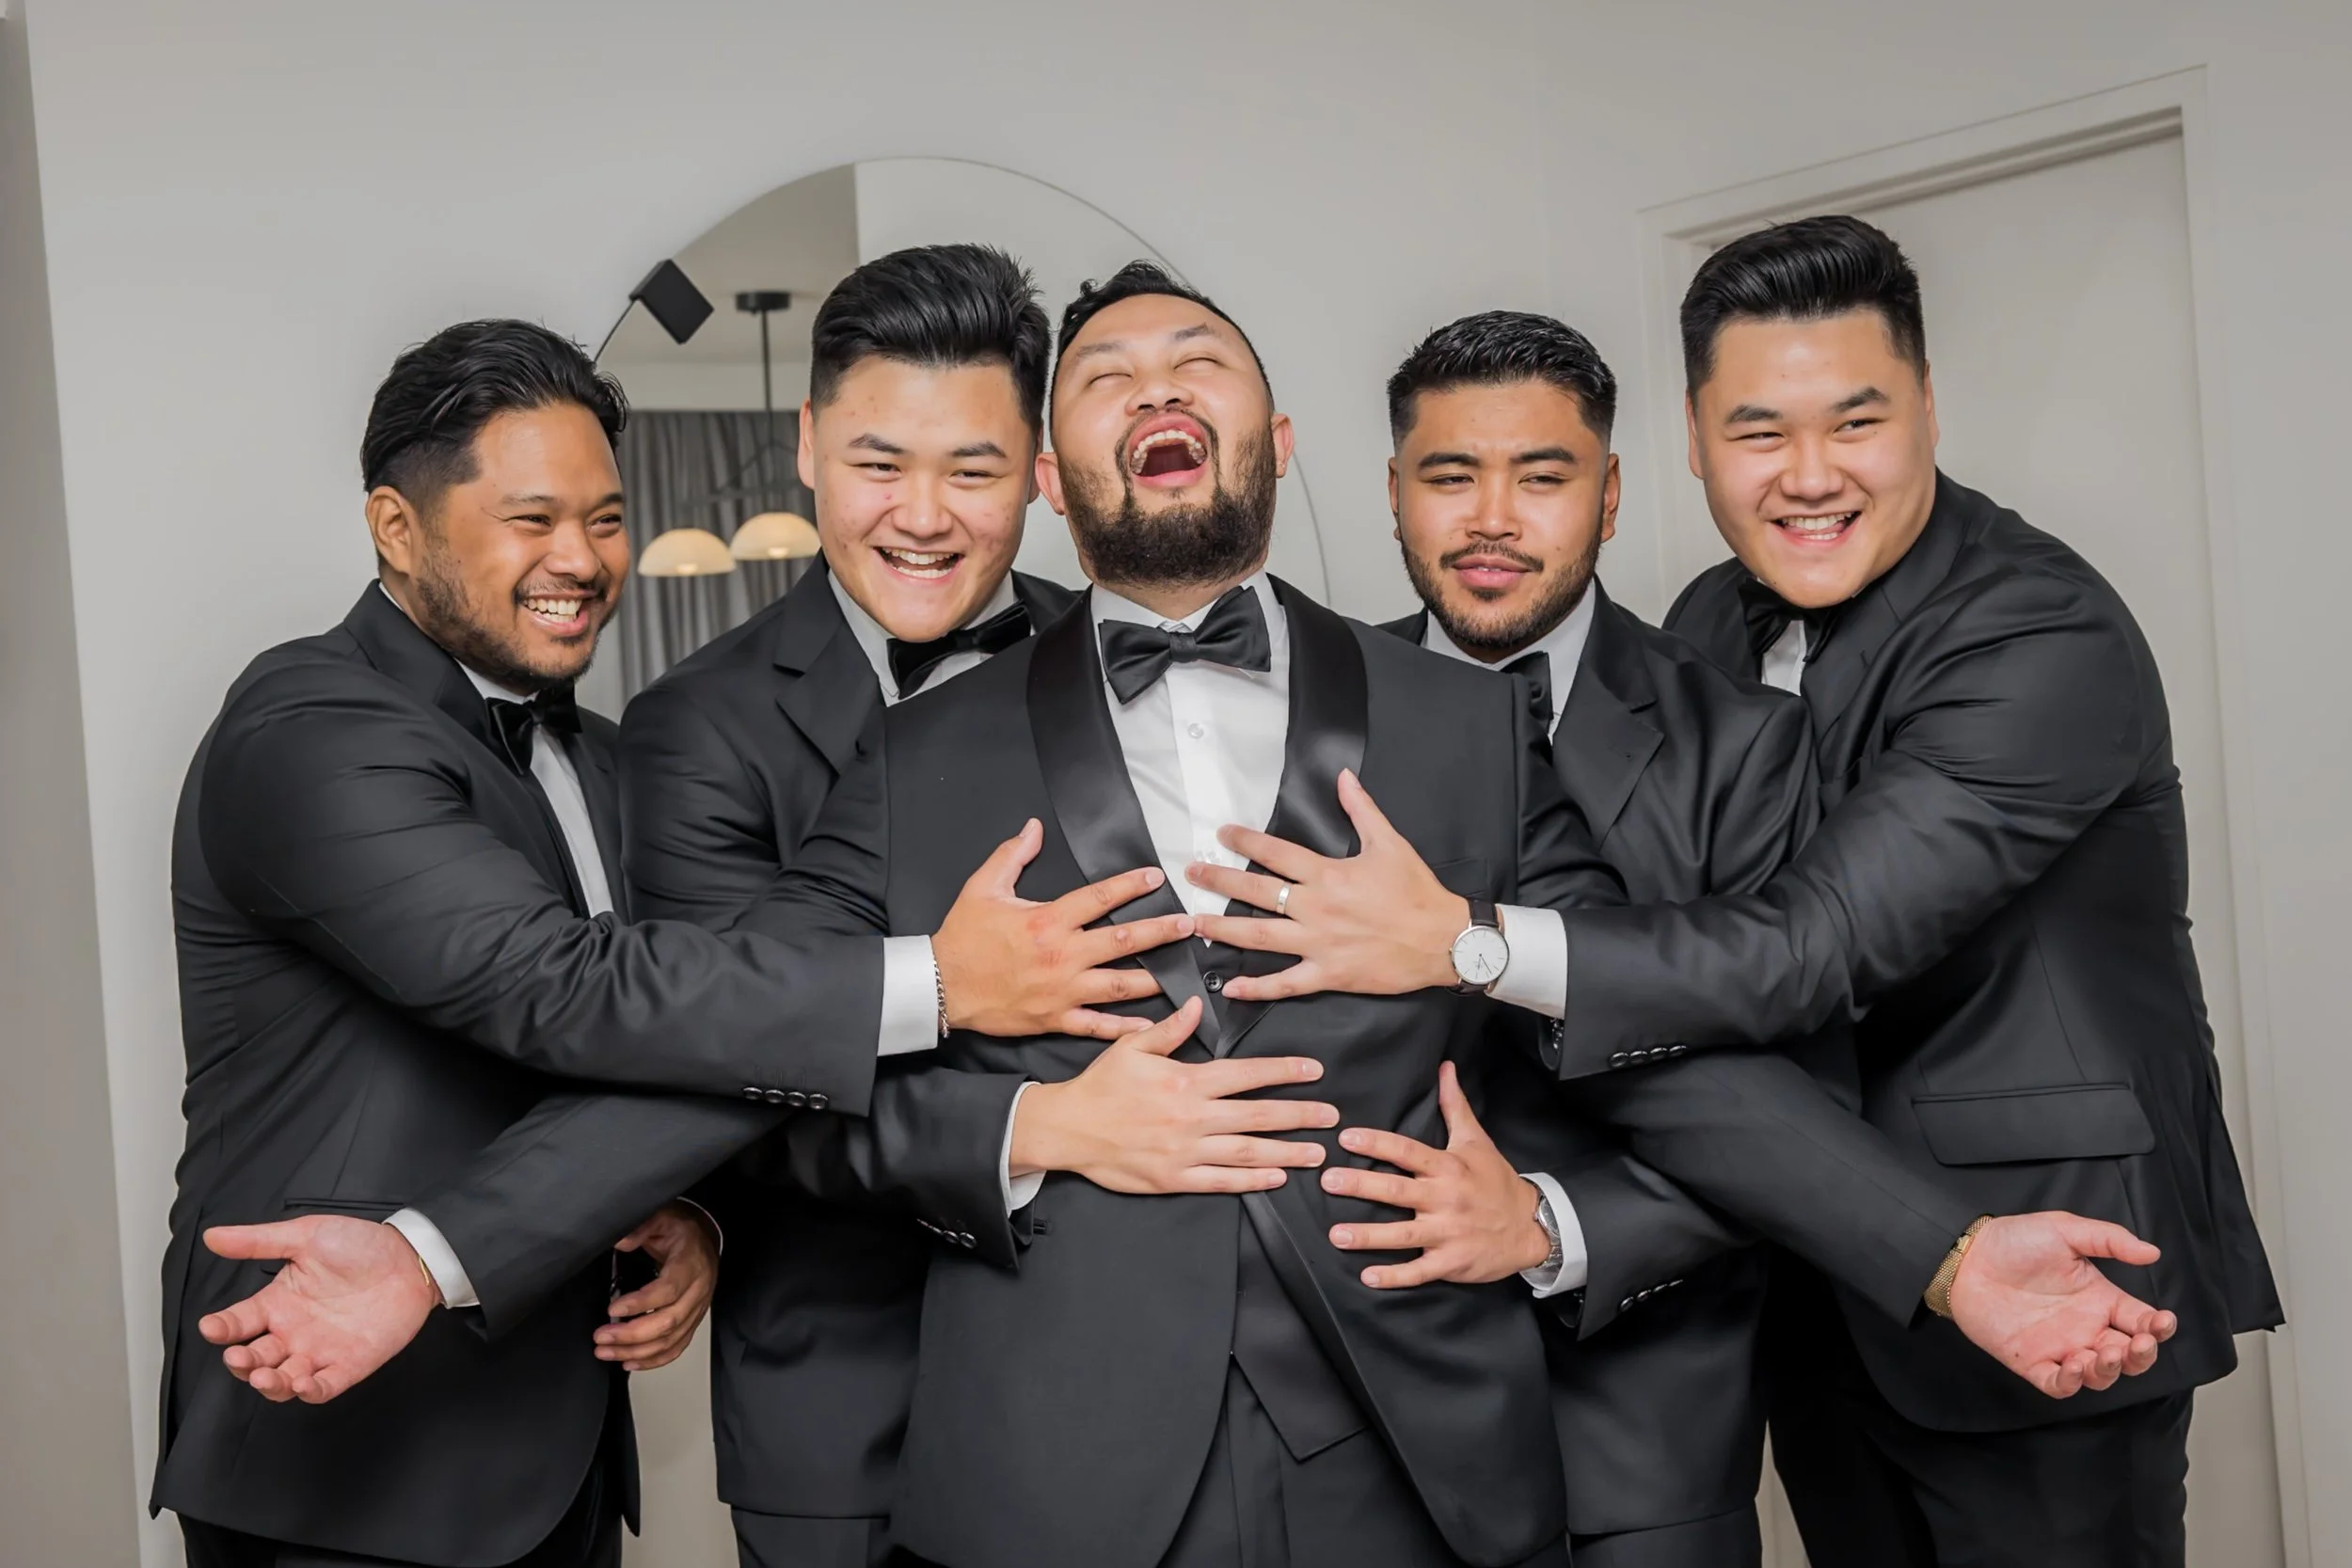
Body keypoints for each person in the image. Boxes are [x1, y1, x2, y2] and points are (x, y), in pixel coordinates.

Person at [1200, 218, 2280, 1568]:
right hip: (1807, 1282)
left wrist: (1462, 946)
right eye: (1760, 431)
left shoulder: (2042, 633)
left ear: (1930, 409)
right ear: (1698, 445)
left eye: (1857, 422)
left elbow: (1809, 945)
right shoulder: (1712, 619)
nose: (1810, 476)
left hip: (2043, 1262)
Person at [163, 318, 1191, 1568]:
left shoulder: (593, 751)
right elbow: (557, 986)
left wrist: (690, 1204)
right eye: (532, 519)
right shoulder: (309, 726)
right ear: (397, 528)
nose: (584, 558)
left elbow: (687, 1027)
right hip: (339, 1439)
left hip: (550, 1441)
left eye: (605, 518)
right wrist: (943, 981)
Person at [1359, 307, 1834, 1566]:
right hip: (1352, 1414)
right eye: (1451, 475)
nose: (1493, 516)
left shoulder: (1747, 741)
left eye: (1543, 474)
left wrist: (1554, 1224)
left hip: (1639, 1424)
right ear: (1395, 493)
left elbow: (1800, 1100)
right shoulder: (1314, 711)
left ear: (1612, 495)